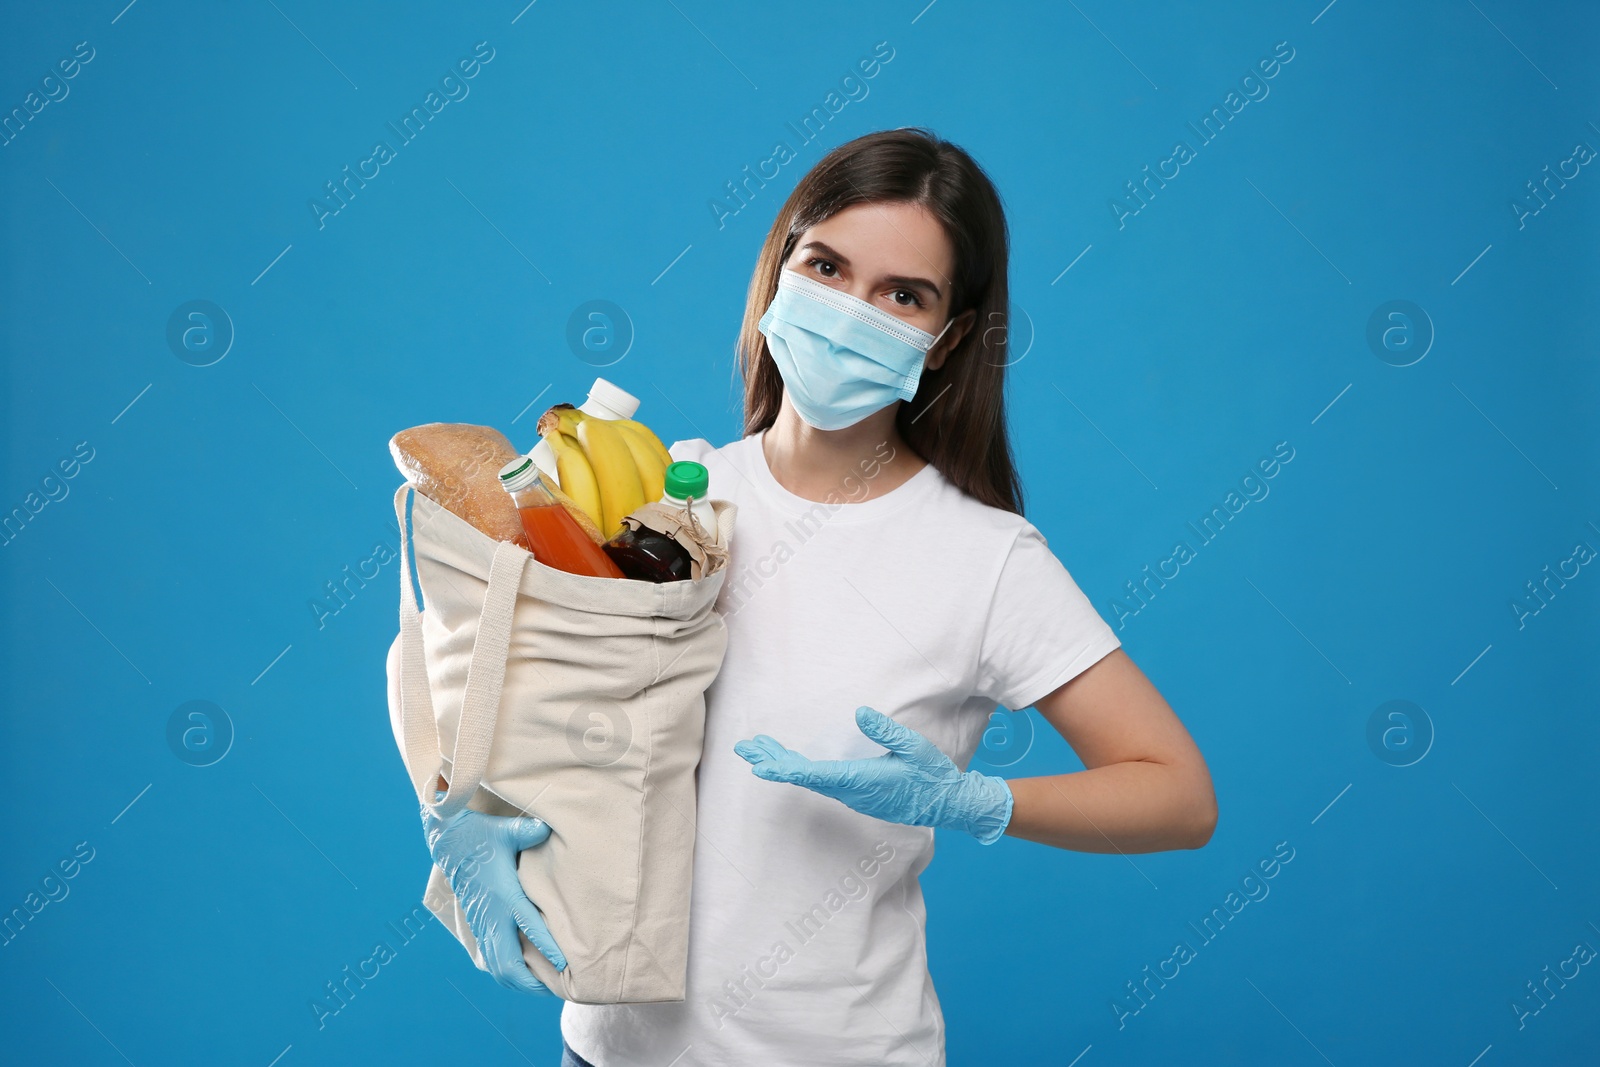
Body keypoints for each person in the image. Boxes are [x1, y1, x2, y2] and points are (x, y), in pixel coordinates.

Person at [423, 127, 1217, 1066]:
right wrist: (458, 815)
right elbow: (488, 683)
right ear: (778, 272)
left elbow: (1180, 796)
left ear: (948, 335)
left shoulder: (986, 559)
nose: (851, 309)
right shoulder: (665, 508)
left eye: (902, 294)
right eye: (828, 266)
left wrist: (975, 800)